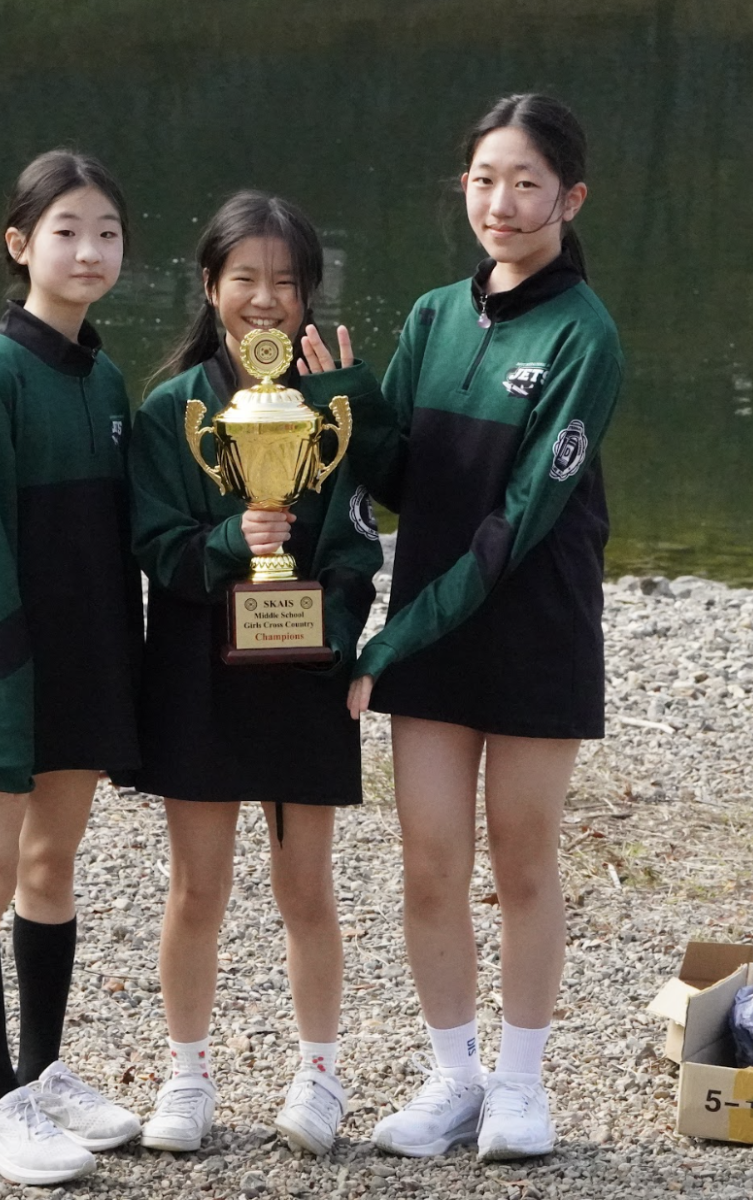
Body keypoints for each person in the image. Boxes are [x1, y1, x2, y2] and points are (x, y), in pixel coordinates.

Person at [298, 93, 623, 1161]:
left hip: (531, 625)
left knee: (521, 857)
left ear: (567, 199)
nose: (501, 202)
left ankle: (521, 1086)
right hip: (432, 628)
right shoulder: (436, 316)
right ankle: (452, 1078)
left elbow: (518, 520)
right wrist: (344, 406)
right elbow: (398, 483)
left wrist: (388, 642)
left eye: (526, 182)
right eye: (483, 180)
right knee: (428, 861)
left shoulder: (583, 337)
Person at [129, 191, 381, 1157]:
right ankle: (185, 1074)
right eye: (246, 280)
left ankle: (320, 1072)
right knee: (196, 888)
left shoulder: (334, 407)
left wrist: (342, 637)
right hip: (196, 665)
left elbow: (358, 550)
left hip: (305, 668)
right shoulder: (171, 409)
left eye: (285, 282)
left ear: (308, 294)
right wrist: (230, 540)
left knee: (306, 888)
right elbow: (153, 544)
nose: (265, 300)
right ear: (209, 287)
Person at [0, 149, 144, 1186]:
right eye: (65, 230)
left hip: (84, 665)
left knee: (51, 869)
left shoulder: (102, 377)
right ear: (20, 247)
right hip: (0, 675)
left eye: (105, 231)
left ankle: (41, 1067)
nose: (89, 249)